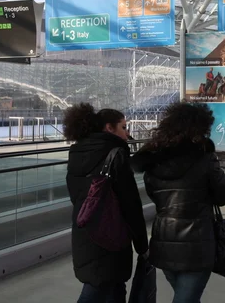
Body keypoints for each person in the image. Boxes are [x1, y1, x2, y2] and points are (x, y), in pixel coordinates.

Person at [133, 102, 225, 303]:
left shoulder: (152, 161)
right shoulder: (204, 158)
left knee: (186, 297)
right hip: (197, 245)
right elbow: (224, 196)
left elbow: (155, 195)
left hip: (163, 240)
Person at [64, 103, 149, 303]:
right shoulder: (116, 155)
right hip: (112, 235)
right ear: (109, 128)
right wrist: (142, 246)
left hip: (85, 230)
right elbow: (131, 205)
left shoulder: (77, 153)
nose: (127, 134)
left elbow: (75, 194)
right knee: (98, 288)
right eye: (124, 127)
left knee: (113, 287)